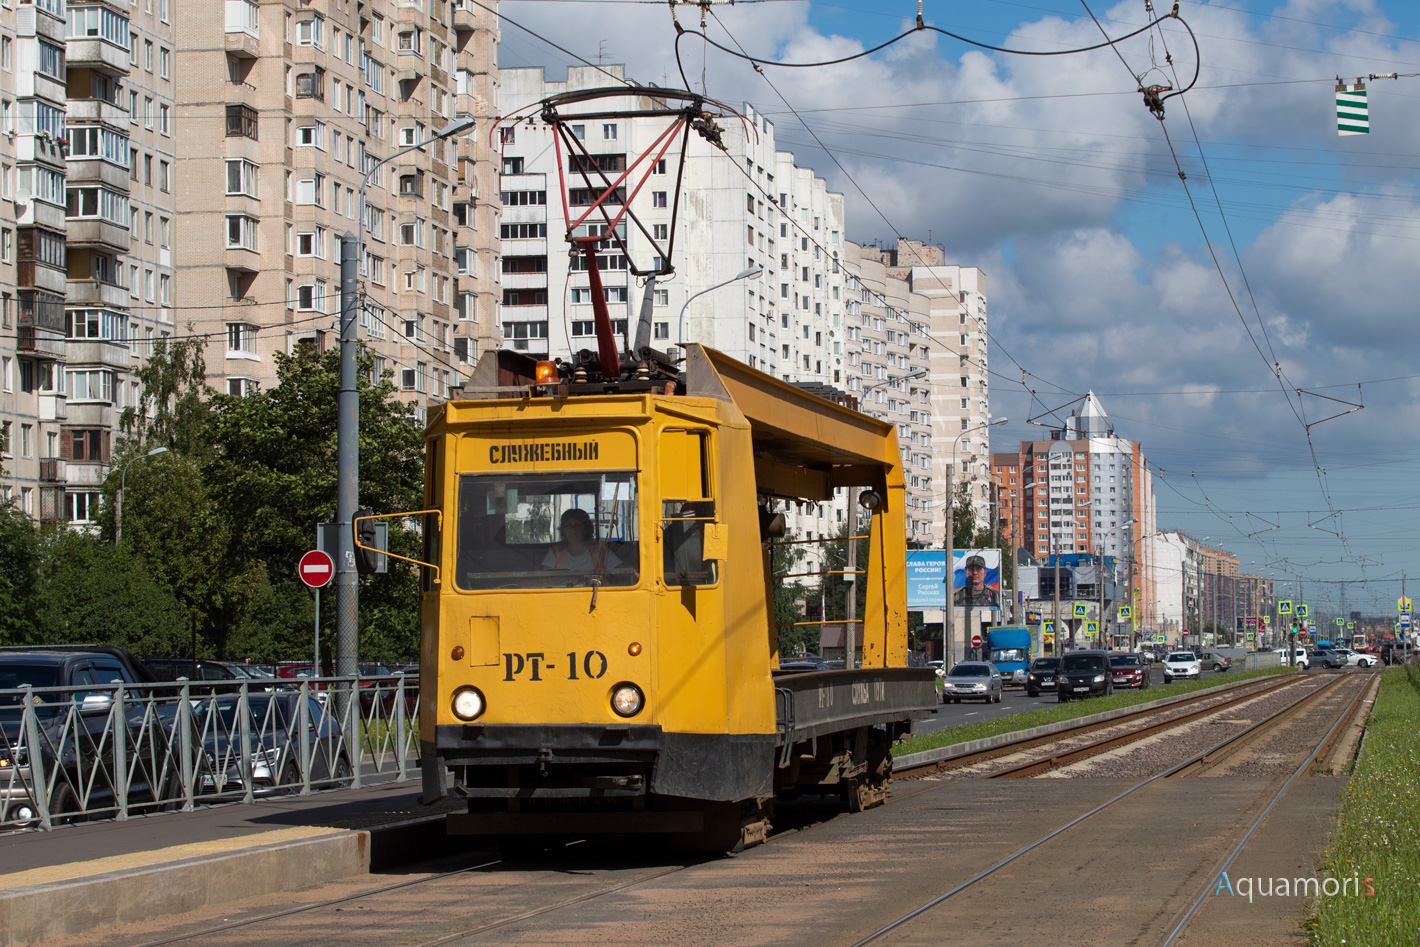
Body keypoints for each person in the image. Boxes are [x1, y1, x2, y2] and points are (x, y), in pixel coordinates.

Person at [543, 508, 622, 573]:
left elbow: (622, 571)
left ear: (586, 528)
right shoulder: (555, 552)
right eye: (568, 526)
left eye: (577, 525)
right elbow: (544, 579)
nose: (573, 529)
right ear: (562, 529)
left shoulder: (600, 552)